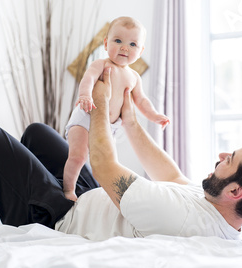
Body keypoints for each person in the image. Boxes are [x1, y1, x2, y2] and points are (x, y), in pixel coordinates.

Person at [0, 66, 242, 241]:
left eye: (231, 160)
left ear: (237, 191)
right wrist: (130, 121)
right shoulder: (216, 205)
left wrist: (100, 102)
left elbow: (103, 164)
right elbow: (172, 175)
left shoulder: (185, 221)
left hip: (60, 219)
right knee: (39, 134)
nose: (222, 155)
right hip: (89, 199)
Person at [63, 16, 169, 201]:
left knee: (107, 165)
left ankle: (104, 197)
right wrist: (85, 95)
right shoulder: (101, 64)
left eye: (133, 44)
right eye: (118, 41)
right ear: (106, 43)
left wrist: (154, 115)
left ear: (141, 50)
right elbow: (87, 79)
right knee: (78, 156)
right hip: (86, 116)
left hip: (108, 127)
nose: (124, 47)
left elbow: (142, 100)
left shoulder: (135, 77)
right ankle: (68, 190)